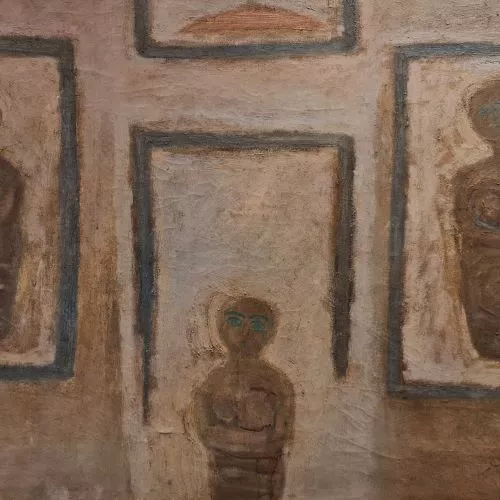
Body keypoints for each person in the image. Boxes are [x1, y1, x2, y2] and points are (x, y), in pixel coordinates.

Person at [194, 297, 294, 499]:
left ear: (269, 333)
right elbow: (206, 433)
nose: (245, 331)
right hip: (223, 482)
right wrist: (256, 441)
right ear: (221, 328)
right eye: (235, 321)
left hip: (265, 484)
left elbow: (279, 437)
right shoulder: (213, 382)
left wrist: (230, 439)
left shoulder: (278, 383)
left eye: (257, 324)